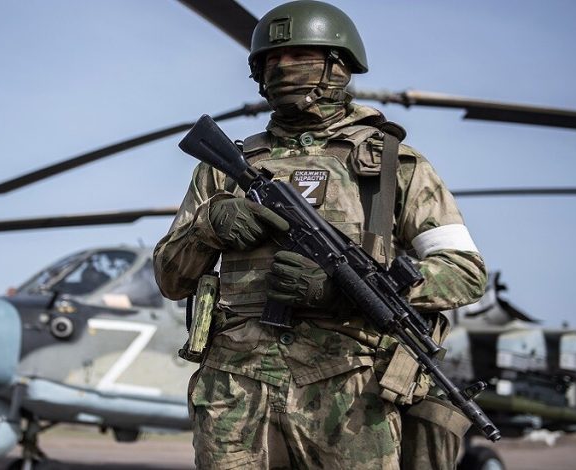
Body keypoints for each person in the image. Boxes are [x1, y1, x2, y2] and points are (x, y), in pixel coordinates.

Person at [154, 1, 486, 468]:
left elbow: (465, 272)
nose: (282, 67)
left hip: (350, 398)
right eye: (272, 58)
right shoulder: (224, 168)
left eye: (300, 55)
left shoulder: (395, 165)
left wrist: (344, 290)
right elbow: (170, 280)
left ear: (339, 66)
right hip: (234, 391)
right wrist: (209, 228)